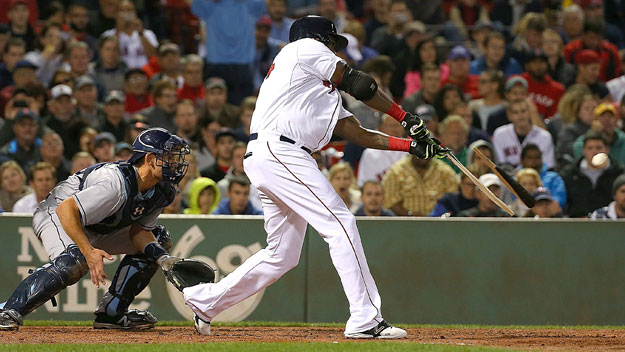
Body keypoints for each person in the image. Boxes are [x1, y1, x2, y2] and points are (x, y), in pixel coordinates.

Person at [183, 15, 448, 339]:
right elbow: (360, 84)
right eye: (332, 42)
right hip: (280, 150)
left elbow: (357, 133)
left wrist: (410, 146)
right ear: (316, 39)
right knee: (341, 224)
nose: (335, 49)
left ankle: (204, 301)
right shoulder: (302, 49)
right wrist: (404, 116)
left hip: (273, 156)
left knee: (283, 254)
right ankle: (365, 318)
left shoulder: (314, 90)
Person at [0, 128, 190, 331]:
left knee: (158, 239)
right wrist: (88, 251)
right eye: (170, 156)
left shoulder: (164, 189)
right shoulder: (114, 183)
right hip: (56, 213)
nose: (176, 163)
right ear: (151, 159)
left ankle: (112, 313)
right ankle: (8, 310)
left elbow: (139, 231)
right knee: (74, 261)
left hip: (98, 224)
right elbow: (67, 210)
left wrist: (163, 259)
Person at [189, 0, 265, 105]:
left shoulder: (249, 4)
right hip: (225, 66)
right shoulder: (210, 5)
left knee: (241, 113)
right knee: (218, 112)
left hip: (236, 67)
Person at [561, 131, 624, 217]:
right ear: (584, 151)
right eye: (590, 148)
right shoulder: (569, 174)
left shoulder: (619, 173)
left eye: (598, 148)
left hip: (609, 222)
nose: (594, 152)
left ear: (607, 150)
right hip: (577, 224)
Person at [492, 99, 555, 168]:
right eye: (515, 112)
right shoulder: (500, 134)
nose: (520, 116)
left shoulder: (544, 136)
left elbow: (548, 166)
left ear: (529, 113)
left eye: (523, 111)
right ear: (509, 116)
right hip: (508, 176)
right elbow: (500, 165)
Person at [101, 0, 157, 69]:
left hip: (144, 73)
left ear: (135, 12)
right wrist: (118, 29)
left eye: (129, 10)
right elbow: (109, 55)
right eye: (123, 10)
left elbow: (153, 55)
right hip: (119, 73)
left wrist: (141, 33)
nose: (126, 13)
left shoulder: (147, 34)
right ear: (117, 13)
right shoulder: (108, 34)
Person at [564, 17, 621, 83]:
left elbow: (615, 76)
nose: (595, 42)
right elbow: (566, 74)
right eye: (592, 38)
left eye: (599, 38)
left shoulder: (611, 50)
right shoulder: (570, 50)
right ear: (583, 35)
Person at [356, 114, 405, 187]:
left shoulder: (412, 149)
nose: (395, 129)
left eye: (398, 125)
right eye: (392, 125)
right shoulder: (370, 153)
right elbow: (363, 183)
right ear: (382, 128)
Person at [521, 49, 565, 119]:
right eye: (534, 62)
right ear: (527, 65)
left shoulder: (557, 89)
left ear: (547, 65)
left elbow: (554, 119)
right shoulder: (519, 83)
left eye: (542, 62)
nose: (538, 66)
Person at [519, 144, 567, 208]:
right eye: (529, 158)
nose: (534, 161)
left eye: (537, 157)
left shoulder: (554, 178)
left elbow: (560, 199)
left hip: (548, 214)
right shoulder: (515, 179)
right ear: (522, 161)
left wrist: (541, 206)